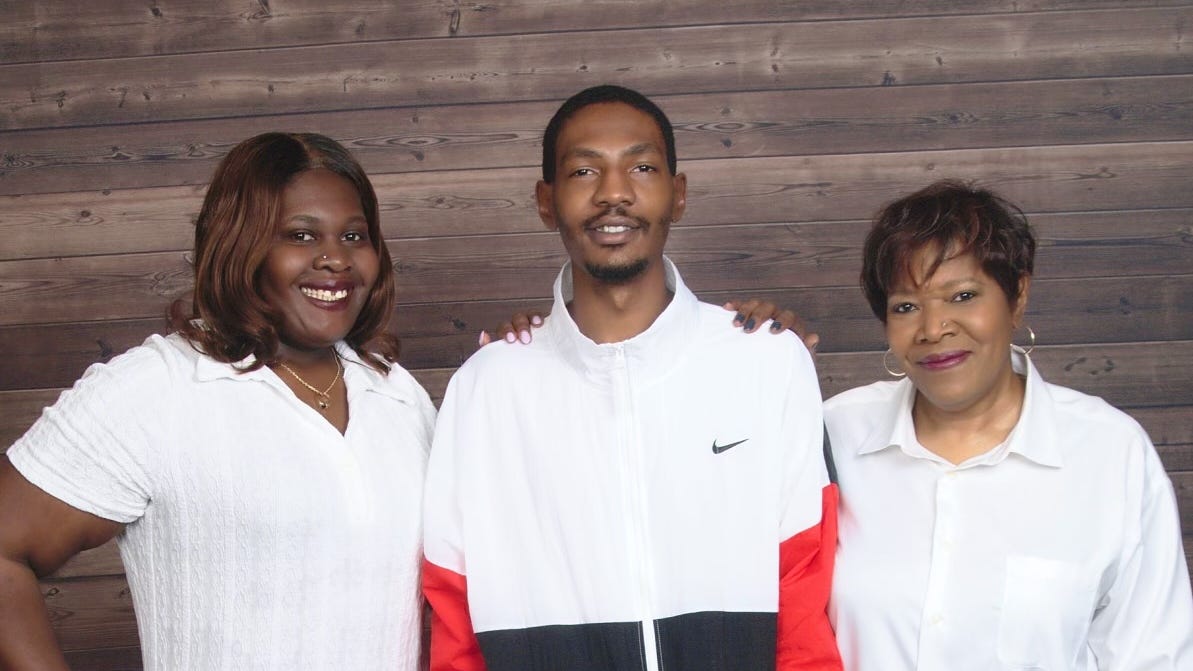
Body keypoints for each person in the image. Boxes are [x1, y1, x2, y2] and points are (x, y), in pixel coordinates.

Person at [421, 84, 842, 671]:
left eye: (641, 167)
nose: (613, 192)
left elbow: (803, 591)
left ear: (678, 194)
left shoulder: (768, 363)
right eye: (584, 171)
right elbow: (454, 612)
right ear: (546, 201)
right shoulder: (484, 390)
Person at [0, 133, 435, 670]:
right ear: (240, 245)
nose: (335, 260)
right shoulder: (161, 388)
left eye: (354, 235)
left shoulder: (399, 396)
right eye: (301, 235)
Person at [825, 180, 1193, 669]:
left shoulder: (1108, 451)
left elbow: (1154, 656)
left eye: (962, 295)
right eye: (906, 306)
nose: (933, 328)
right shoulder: (834, 435)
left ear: (1017, 296)